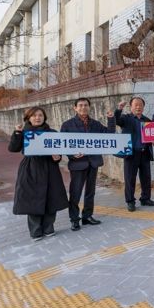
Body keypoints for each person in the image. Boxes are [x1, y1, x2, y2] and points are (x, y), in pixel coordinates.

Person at [8, 107, 68, 241]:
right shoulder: (24, 132)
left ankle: (49, 227)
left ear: (44, 117)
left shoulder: (52, 133)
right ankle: (35, 231)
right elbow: (13, 148)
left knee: (52, 197)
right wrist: (17, 132)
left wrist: (57, 157)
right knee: (32, 199)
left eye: (40, 115)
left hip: (50, 167)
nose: (37, 118)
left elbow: (59, 150)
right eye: (34, 115)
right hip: (31, 168)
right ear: (28, 118)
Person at [60, 98, 116, 231]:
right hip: (78, 164)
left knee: (90, 192)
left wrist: (111, 119)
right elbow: (62, 143)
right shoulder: (67, 125)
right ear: (75, 108)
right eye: (80, 105)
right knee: (75, 193)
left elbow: (109, 134)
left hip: (93, 162)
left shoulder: (95, 124)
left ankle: (87, 216)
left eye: (86, 105)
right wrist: (72, 154)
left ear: (89, 107)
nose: (83, 107)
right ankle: (74, 219)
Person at [115, 97, 154, 212]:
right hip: (131, 154)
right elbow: (116, 120)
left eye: (140, 105)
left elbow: (151, 136)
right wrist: (119, 109)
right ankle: (130, 201)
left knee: (146, 178)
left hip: (145, 153)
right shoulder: (125, 118)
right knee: (130, 178)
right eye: (136, 105)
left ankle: (145, 198)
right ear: (131, 106)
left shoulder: (147, 120)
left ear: (143, 107)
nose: (138, 107)